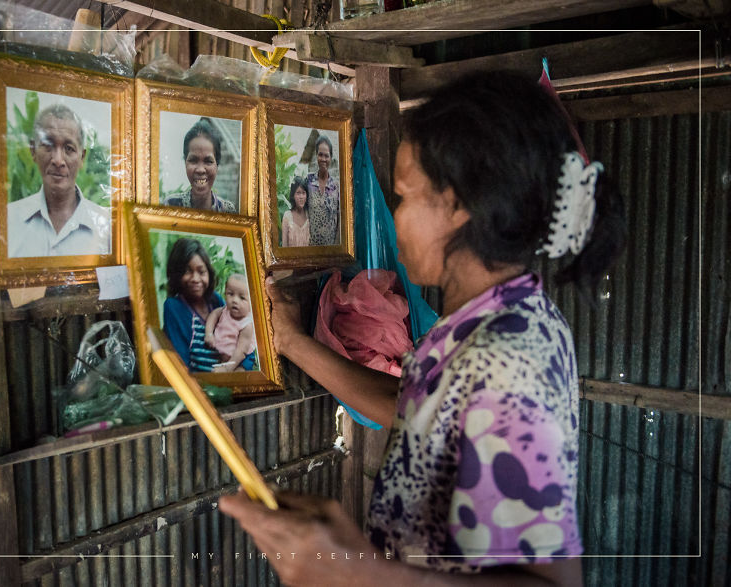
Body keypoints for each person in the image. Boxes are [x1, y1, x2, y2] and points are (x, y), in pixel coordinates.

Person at [220, 70, 626, 586]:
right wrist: (293, 343)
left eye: (405, 196)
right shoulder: (486, 323)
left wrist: (360, 574)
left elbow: (551, 582)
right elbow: (411, 407)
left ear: (456, 205)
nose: (396, 216)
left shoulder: (507, 355)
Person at [7, 104, 110, 258]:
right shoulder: (8, 221)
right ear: (33, 150)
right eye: (48, 145)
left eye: (69, 148)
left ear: (82, 157)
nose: (58, 160)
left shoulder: (106, 227)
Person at [161, 238, 224, 372]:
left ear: (209, 274)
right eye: (187, 271)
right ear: (176, 275)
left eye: (201, 272)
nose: (196, 279)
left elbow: (240, 334)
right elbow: (181, 365)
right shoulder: (173, 307)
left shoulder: (216, 301)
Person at [165, 119, 237, 213]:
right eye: (193, 160)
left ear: (217, 165)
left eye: (208, 161)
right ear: (185, 162)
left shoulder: (228, 211)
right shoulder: (171, 205)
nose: (200, 169)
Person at [204, 273, 257, 372]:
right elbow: (213, 316)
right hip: (223, 351)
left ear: (252, 303)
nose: (235, 300)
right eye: (231, 294)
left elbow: (241, 352)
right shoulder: (224, 310)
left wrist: (227, 368)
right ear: (225, 294)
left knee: (239, 374)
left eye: (242, 298)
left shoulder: (246, 325)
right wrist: (209, 333)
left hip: (241, 358)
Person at [305, 134, 340, 246]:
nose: (323, 159)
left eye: (326, 156)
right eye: (320, 155)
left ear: (331, 157)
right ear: (316, 155)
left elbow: (339, 220)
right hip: (311, 247)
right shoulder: (308, 181)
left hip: (330, 249)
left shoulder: (336, 186)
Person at [281, 176, 311, 248]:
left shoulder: (310, 215)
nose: (301, 197)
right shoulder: (287, 216)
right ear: (293, 196)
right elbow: (284, 246)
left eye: (303, 193)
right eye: (298, 193)